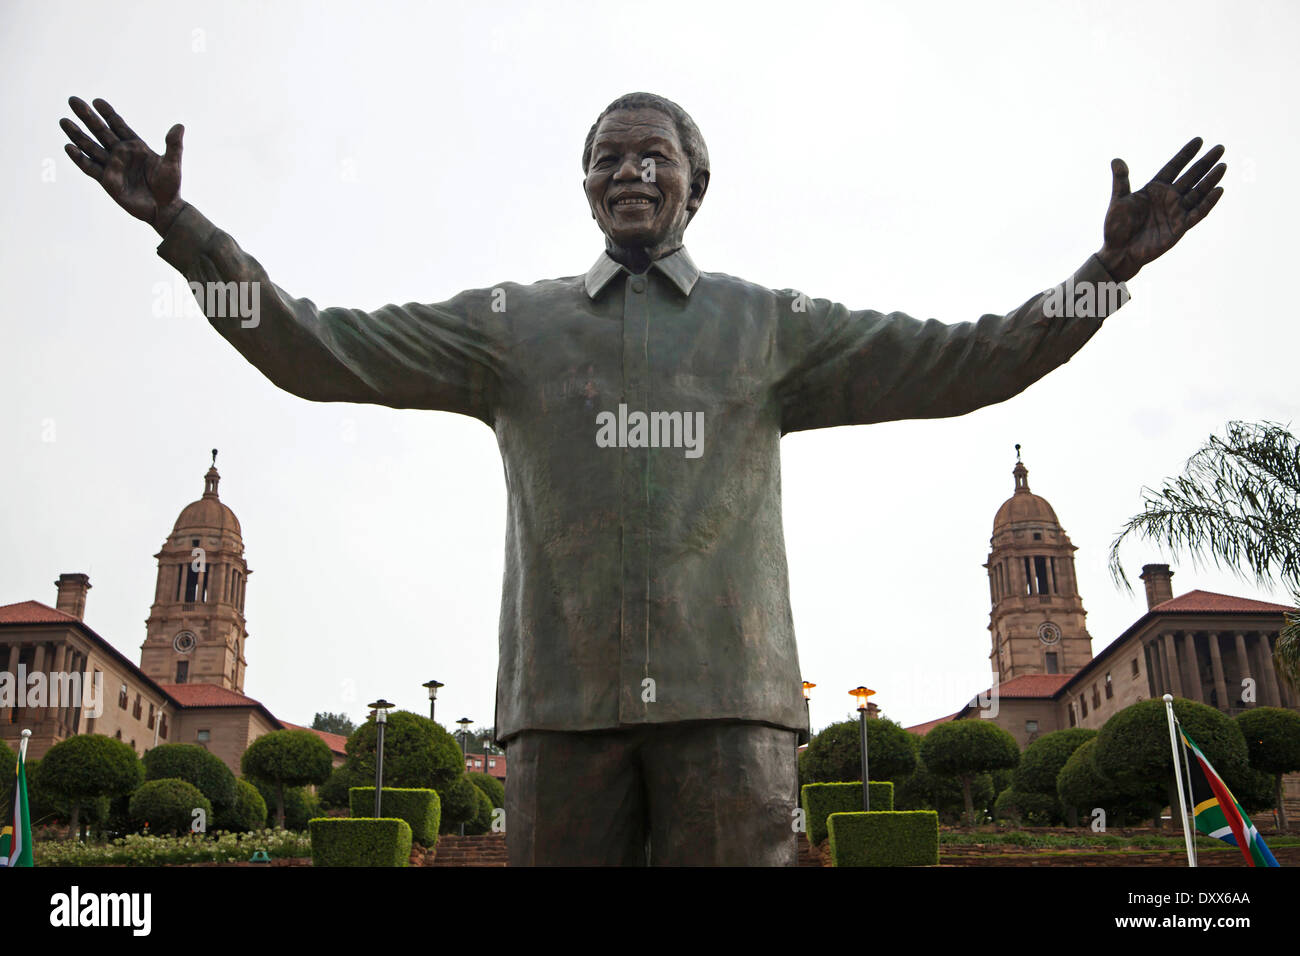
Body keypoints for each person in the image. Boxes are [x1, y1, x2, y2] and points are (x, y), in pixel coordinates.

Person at [60, 91, 1225, 865]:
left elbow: (971, 358)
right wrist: (184, 230)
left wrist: (1103, 273)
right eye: (605, 158)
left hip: (731, 702)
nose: (627, 172)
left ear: (693, 187)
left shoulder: (769, 325)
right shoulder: (509, 330)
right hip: (560, 709)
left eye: (651, 156)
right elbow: (311, 348)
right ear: (583, 188)